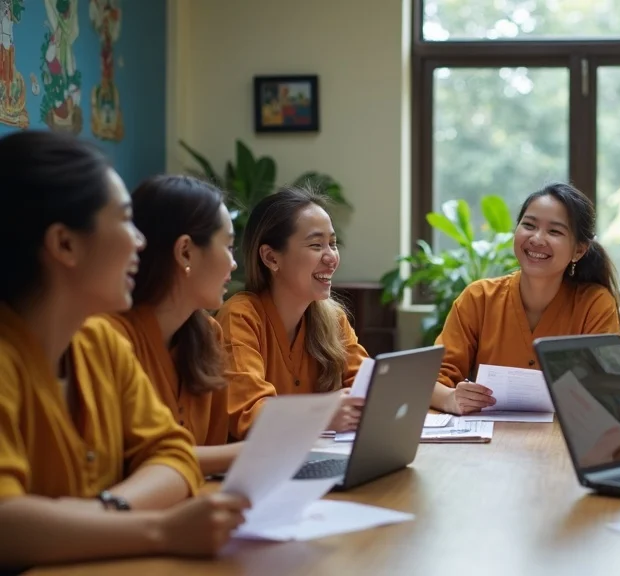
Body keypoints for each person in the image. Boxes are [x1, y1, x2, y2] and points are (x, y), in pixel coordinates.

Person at [0, 130, 249, 569]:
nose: (140, 241)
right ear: (65, 244)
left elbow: (172, 454)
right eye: (124, 220)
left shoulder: (99, 345)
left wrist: (106, 511)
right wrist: (160, 530)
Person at [431, 183, 620, 415]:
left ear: (579, 250)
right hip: (489, 443)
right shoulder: (478, 298)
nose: (537, 238)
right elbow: (432, 380)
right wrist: (451, 398)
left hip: (560, 444)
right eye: (529, 225)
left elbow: (606, 391)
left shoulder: (594, 304)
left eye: (555, 231)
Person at [102, 175, 239, 476]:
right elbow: (127, 460)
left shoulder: (208, 334)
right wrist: (254, 452)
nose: (234, 263)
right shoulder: (108, 337)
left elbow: (213, 454)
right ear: (186, 252)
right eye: (228, 247)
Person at [217, 186, 369, 440]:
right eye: (316, 245)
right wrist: (321, 415)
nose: (331, 257)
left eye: (332, 243)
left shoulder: (332, 319)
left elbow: (366, 386)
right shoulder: (240, 317)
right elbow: (250, 416)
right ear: (271, 258)